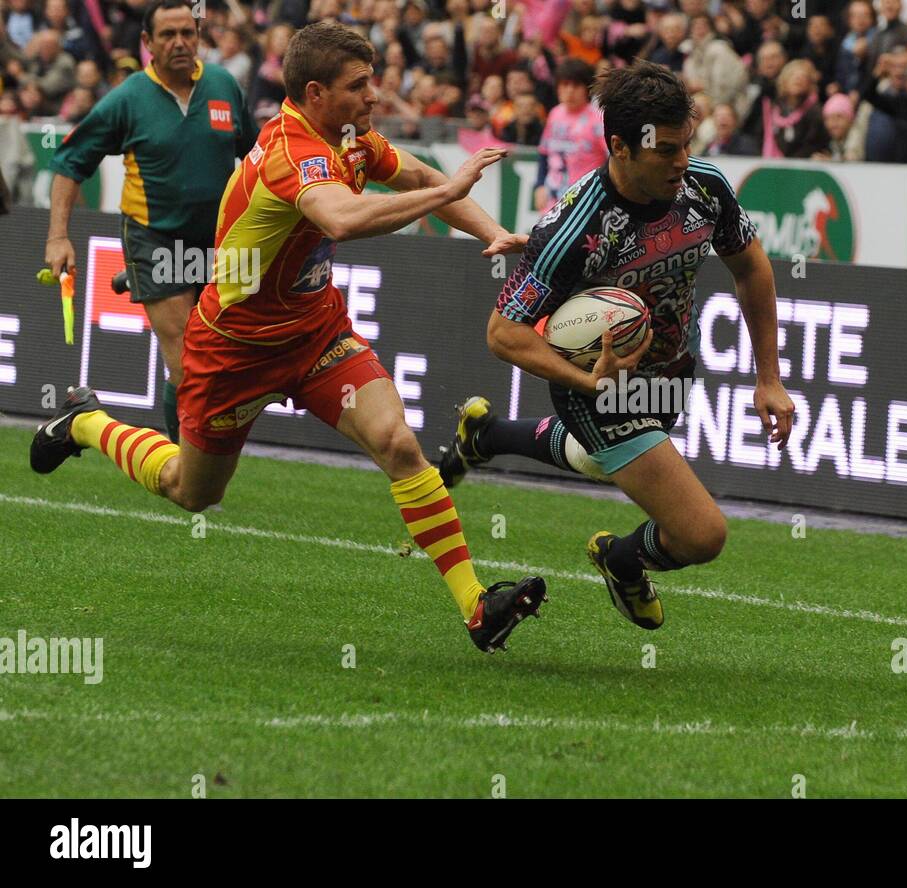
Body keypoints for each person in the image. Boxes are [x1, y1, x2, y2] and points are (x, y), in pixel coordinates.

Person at [30, 22, 546, 655]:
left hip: (315, 333)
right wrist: (448, 189)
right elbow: (343, 218)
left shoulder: (350, 137)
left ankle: (476, 607)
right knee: (192, 493)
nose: (375, 95)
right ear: (314, 92)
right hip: (235, 348)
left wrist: (489, 231)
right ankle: (85, 422)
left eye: (374, 79)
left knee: (399, 443)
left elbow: (415, 179)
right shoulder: (288, 150)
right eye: (359, 85)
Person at [438, 60, 794, 632]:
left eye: (686, 144)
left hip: (671, 369)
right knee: (701, 534)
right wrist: (589, 382)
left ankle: (485, 435)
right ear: (620, 147)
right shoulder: (574, 229)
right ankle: (622, 559)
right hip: (595, 389)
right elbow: (502, 332)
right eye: (666, 151)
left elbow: (751, 267)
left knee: (594, 459)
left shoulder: (706, 188)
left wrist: (769, 378)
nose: (682, 161)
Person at [45, 0, 255, 443]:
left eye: (187, 32)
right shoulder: (128, 99)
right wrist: (59, 236)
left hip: (216, 242)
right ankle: (185, 466)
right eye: (167, 35)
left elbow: (255, 158)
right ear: (147, 43)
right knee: (185, 360)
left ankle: (182, 458)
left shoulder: (224, 86)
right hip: (153, 236)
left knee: (214, 358)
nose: (180, 42)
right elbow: (69, 163)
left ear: (199, 36)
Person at [533, 58, 607, 212]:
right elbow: (544, 152)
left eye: (576, 85)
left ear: (587, 88)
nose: (570, 91)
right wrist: (539, 185)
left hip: (585, 202)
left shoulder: (598, 118)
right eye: (565, 85)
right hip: (552, 200)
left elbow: (612, 158)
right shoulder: (555, 114)